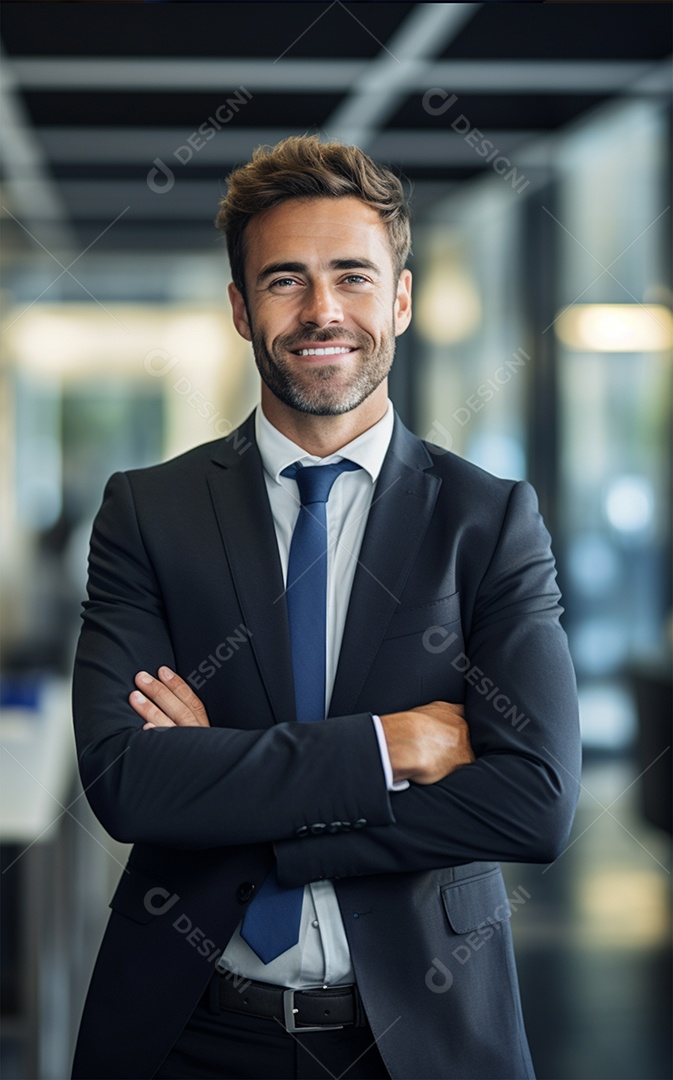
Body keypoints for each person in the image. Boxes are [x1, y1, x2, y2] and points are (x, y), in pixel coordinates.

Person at [71, 135, 580, 1080]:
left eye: (351, 276)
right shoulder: (148, 512)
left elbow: (535, 806)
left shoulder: (488, 520)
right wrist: (391, 749)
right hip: (188, 1028)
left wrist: (225, 782)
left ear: (401, 299)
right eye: (283, 281)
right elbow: (126, 783)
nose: (321, 312)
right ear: (239, 307)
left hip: (424, 1037)